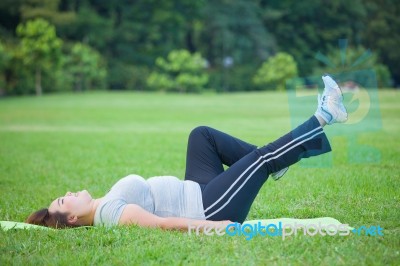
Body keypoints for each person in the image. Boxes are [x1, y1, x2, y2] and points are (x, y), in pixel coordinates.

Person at [26, 74, 348, 230]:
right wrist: (214, 227)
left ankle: (279, 163)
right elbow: (161, 224)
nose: (68, 192)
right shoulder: (109, 214)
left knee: (201, 135)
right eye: (63, 199)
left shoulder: (104, 202)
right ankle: (326, 116)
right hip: (209, 208)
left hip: (199, 189)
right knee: (261, 158)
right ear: (71, 216)